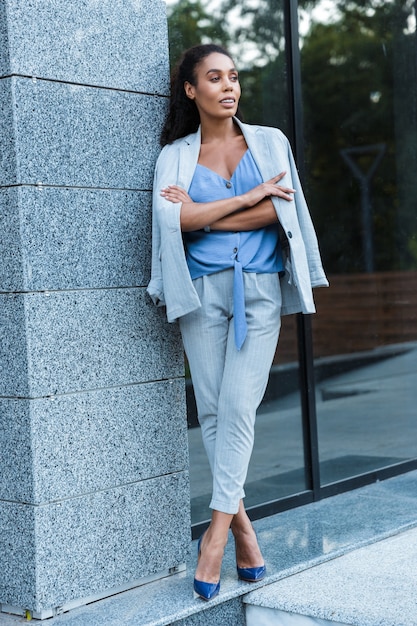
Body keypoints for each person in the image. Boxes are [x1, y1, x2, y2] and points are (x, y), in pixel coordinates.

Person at [147, 43, 328, 601]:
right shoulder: (173, 156)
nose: (229, 86)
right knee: (212, 410)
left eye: (234, 76)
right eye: (215, 78)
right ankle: (246, 533)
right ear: (191, 90)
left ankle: (215, 536)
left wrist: (202, 219)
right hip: (200, 294)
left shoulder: (269, 141)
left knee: (237, 406)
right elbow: (171, 220)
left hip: (258, 294)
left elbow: (284, 210)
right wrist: (250, 198)